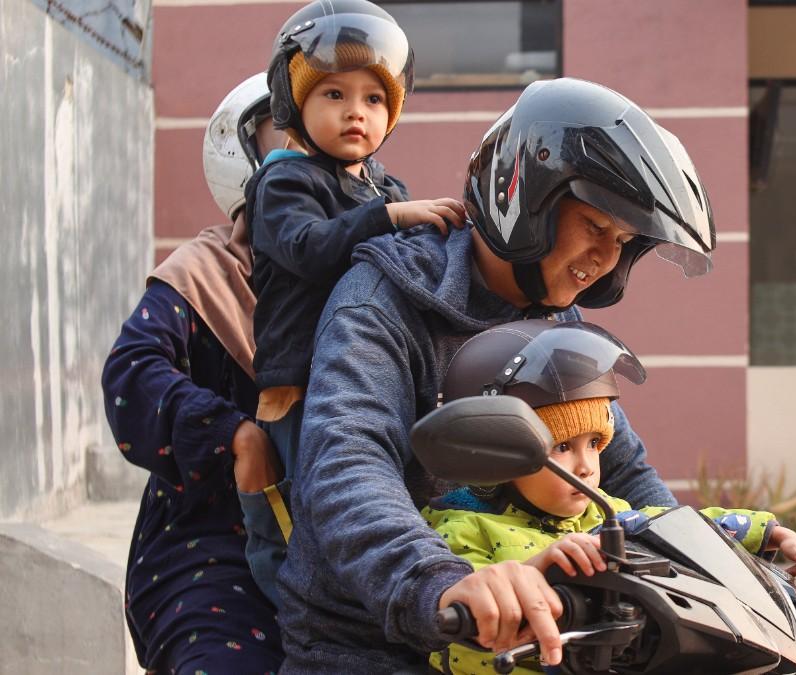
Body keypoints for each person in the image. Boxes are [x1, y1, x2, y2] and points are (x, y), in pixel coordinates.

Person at [276, 76, 717, 673]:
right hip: (375, 639)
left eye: (623, 241)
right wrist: (437, 578)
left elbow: (624, 468)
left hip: (531, 631)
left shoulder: (559, 319)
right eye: (594, 227)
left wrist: (708, 560)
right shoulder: (382, 301)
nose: (605, 259)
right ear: (528, 199)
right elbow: (347, 460)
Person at [423, 319, 796, 674]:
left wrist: (768, 533)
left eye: (595, 444)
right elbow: (462, 619)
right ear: (502, 455)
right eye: (561, 447)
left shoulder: (608, 518)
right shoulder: (460, 531)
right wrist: (534, 572)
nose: (586, 466)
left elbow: (681, 529)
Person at [240, 0, 468, 606]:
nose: (355, 113)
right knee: (301, 507)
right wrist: (389, 216)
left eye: (373, 100)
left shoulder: (382, 185)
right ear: (293, 103)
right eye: (334, 95)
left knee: (384, 490)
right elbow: (309, 249)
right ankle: (291, 609)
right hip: (303, 381)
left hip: (374, 373)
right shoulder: (284, 180)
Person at [100, 73, 288, 674]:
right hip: (209, 547)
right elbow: (132, 376)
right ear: (243, 155)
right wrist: (235, 435)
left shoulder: (362, 271)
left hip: (337, 548)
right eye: (286, 137)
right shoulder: (201, 274)